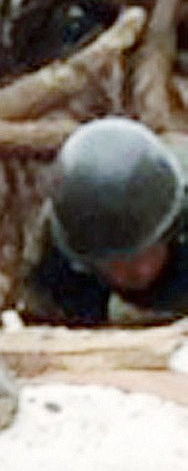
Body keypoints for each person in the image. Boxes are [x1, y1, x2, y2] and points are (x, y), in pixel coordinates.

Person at [20, 118, 188, 326]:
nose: (140, 271)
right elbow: (50, 330)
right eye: (120, 264)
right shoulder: (56, 260)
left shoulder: (176, 201)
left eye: (147, 253)